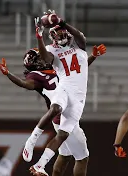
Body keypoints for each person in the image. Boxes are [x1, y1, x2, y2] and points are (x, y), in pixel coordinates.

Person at [0, 44, 106, 176]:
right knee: (82, 158)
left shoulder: (55, 67)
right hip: (64, 115)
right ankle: (39, 163)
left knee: (65, 155)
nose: (44, 58)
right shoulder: (36, 76)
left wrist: (93, 56)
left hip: (59, 117)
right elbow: (24, 83)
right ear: (35, 65)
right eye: (39, 58)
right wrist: (8, 74)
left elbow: (78, 72)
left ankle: (42, 166)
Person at [16, 9, 91, 176]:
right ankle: (32, 139)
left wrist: (62, 23)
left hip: (78, 99)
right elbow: (45, 57)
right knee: (56, 108)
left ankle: (40, 165)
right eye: (59, 34)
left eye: (63, 32)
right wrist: (39, 37)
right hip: (64, 88)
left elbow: (80, 36)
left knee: (63, 137)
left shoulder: (80, 47)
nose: (63, 35)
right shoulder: (53, 50)